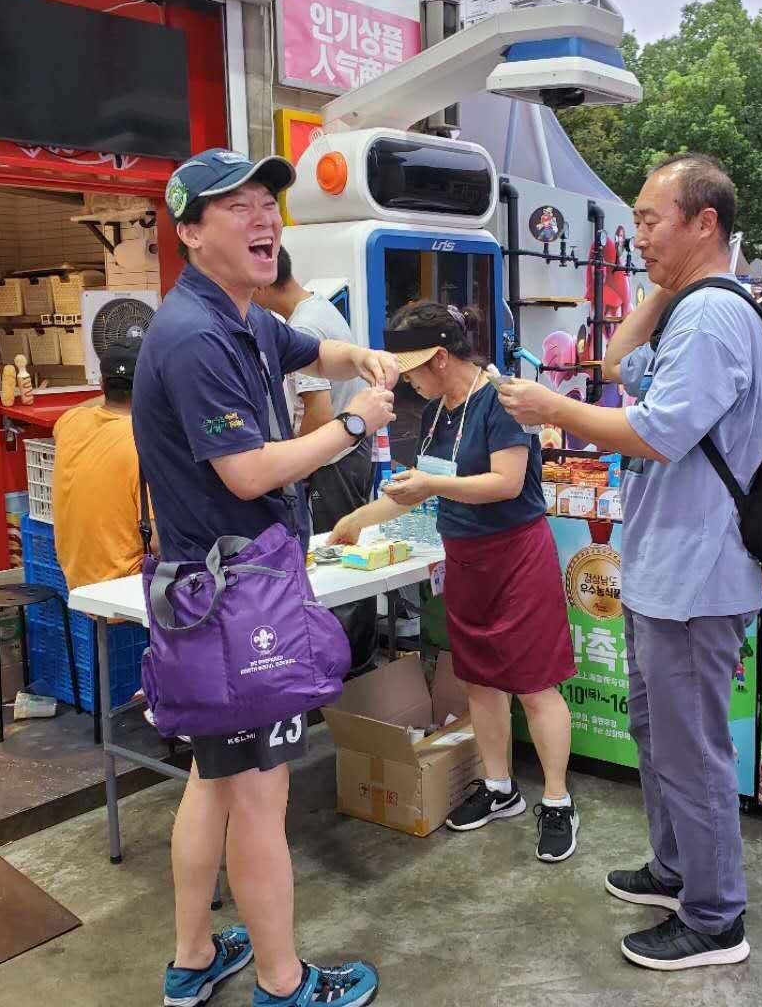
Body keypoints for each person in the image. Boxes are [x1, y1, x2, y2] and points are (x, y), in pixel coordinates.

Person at [134, 148, 398, 1007]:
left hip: (212, 593)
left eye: (266, 203)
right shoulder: (196, 336)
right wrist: (356, 425)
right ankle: (284, 986)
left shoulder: (241, 315)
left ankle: (192, 955)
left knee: (215, 783)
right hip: (235, 603)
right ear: (187, 231)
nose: (263, 219)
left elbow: (309, 346)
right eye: (236, 206)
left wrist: (359, 356)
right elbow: (248, 473)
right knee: (259, 797)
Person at [500, 153, 762, 971]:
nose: (637, 233)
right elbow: (619, 364)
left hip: (696, 575)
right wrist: (671, 274)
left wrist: (553, 408)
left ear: (705, 222)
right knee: (660, 738)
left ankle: (716, 920)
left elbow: (652, 431)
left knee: (692, 752)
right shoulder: (694, 308)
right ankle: (676, 870)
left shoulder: (715, 320)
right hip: (667, 571)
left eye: (653, 220)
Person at [327, 301, 580, 863]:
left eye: (412, 368)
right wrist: (351, 524)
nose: (408, 379)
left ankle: (558, 801)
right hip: (465, 561)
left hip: (517, 558)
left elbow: (507, 483)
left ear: (440, 358)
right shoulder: (441, 412)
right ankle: (498, 789)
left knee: (536, 687)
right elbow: (416, 488)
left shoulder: (502, 401)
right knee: (481, 683)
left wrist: (433, 491)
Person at [255, 250, 377, 674]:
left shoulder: (302, 327)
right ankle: (357, 660)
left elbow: (319, 413)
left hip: (332, 461)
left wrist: (293, 465)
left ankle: (342, 668)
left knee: (335, 564)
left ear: (265, 284)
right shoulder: (321, 305)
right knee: (352, 557)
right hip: (353, 453)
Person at [52, 341, 150, 592]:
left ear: (102, 385)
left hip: (80, 586)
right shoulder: (144, 442)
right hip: (127, 590)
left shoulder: (71, 423)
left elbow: (81, 408)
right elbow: (160, 541)